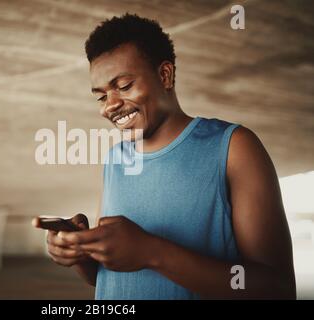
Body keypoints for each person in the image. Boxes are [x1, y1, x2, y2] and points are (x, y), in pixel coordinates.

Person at [41, 13, 296, 299]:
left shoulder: (234, 147)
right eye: (101, 96)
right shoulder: (115, 159)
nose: (109, 106)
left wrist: (152, 252)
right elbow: (111, 276)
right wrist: (81, 253)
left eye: (124, 86)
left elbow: (277, 287)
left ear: (165, 75)